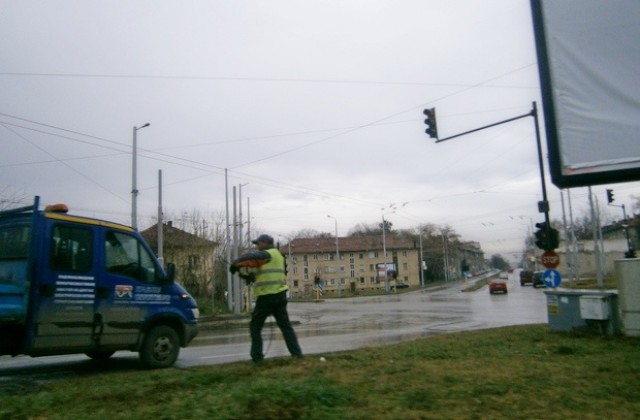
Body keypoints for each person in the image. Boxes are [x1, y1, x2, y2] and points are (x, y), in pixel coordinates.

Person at [229, 234, 303, 362]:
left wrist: (236, 264)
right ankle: (297, 354)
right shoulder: (279, 256)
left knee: (255, 327)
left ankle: (257, 357)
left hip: (267, 297)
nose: (257, 247)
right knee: (286, 327)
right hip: (280, 296)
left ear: (265, 243)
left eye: (258, 244)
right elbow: (270, 273)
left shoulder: (266, 254)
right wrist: (251, 277)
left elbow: (251, 258)